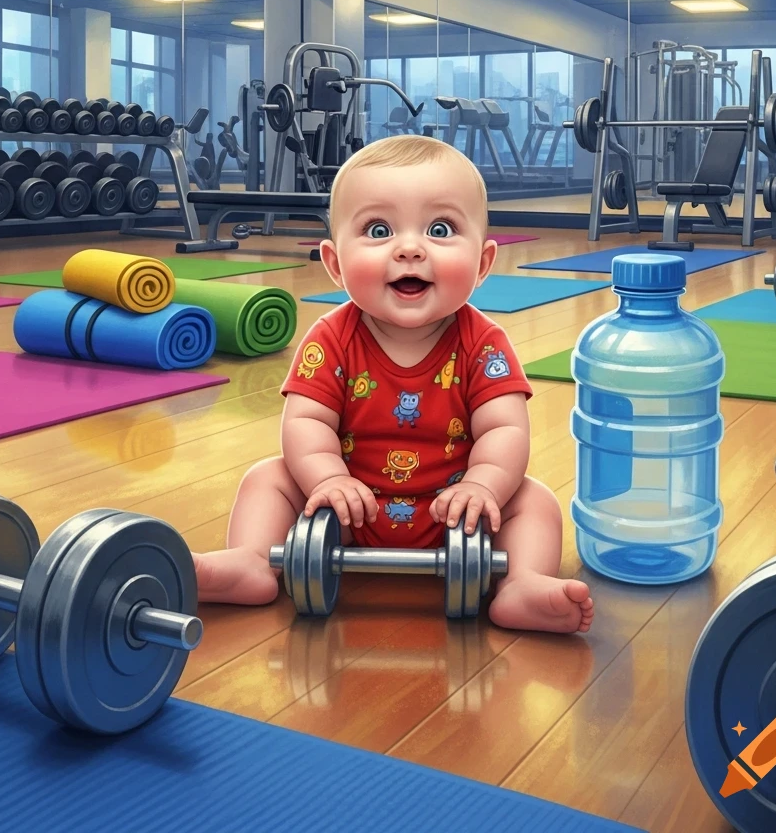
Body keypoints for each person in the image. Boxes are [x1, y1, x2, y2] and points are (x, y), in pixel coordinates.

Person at [193, 134, 594, 634]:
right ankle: (251, 560)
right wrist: (327, 480)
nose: (409, 248)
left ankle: (521, 584)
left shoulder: (484, 344)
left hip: (456, 511)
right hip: (345, 509)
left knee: (534, 501)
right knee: (267, 479)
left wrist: (481, 485)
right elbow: (307, 421)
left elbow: (504, 431)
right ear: (335, 264)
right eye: (379, 229)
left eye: (440, 228)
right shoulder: (330, 338)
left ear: (484, 263)